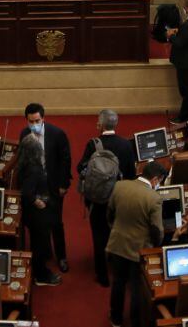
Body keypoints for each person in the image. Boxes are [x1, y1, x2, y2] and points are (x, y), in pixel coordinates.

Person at [77, 108, 136, 286]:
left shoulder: (93, 144)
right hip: (118, 198)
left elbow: (80, 168)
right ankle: (117, 268)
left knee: (98, 236)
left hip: (97, 200)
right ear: (115, 124)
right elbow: (131, 175)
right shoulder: (126, 145)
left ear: (100, 125)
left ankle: (102, 275)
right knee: (118, 234)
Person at [107, 161, 166, 327]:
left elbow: (110, 213)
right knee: (136, 288)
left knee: (118, 282)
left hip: (117, 244)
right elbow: (157, 230)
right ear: (155, 179)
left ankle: (115, 318)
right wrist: (155, 247)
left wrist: (116, 230)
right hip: (139, 250)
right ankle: (134, 321)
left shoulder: (120, 186)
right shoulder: (154, 198)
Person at [19, 103, 72, 273]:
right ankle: (46, 252)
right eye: (30, 121)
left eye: (37, 120)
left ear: (43, 118)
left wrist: (64, 184)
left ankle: (61, 257)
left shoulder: (57, 134)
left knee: (56, 223)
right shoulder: (24, 134)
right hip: (36, 186)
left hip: (54, 186)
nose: (34, 124)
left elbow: (65, 160)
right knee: (40, 222)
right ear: (26, 120)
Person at [17, 133, 62, 286]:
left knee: (39, 243)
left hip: (32, 215)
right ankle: (41, 275)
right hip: (38, 216)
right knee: (39, 245)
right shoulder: (34, 169)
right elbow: (27, 192)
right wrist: (37, 202)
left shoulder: (23, 163)